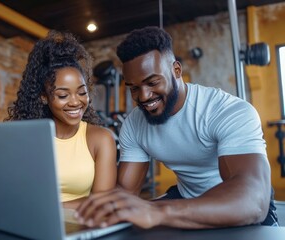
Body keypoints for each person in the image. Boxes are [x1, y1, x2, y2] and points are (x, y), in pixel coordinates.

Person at [75, 26, 278, 228]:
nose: (144, 96)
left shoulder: (226, 111)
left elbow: (253, 200)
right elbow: (125, 192)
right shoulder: (134, 123)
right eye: (135, 88)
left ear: (176, 70)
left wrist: (159, 211)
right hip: (185, 199)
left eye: (153, 82)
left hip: (237, 204)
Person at [6, 30, 117, 209]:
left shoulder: (101, 139)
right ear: (44, 97)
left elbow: (102, 203)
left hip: (79, 226)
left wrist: (47, 207)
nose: (75, 102)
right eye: (63, 95)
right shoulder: (26, 138)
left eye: (82, 92)